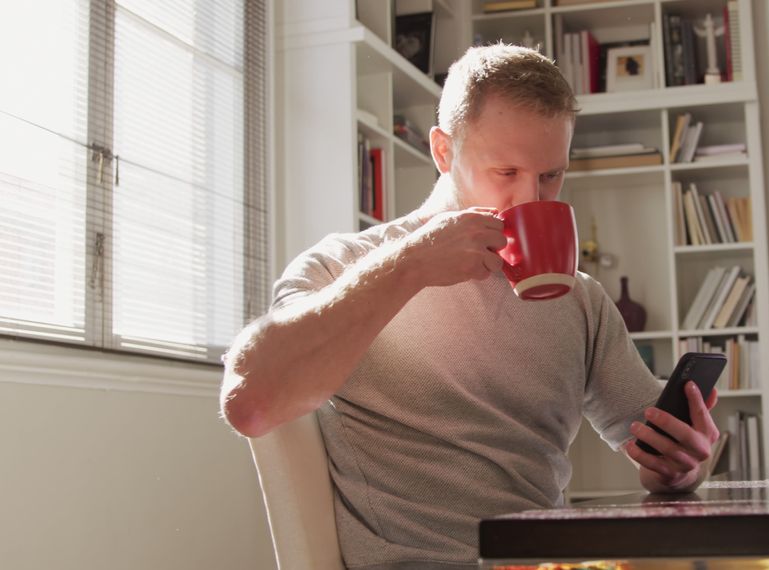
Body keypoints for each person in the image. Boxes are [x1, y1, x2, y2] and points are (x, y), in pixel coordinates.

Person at [220, 44, 720, 568]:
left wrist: (684, 465)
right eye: (506, 172)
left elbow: (663, 454)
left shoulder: (580, 299)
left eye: (551, 175)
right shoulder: (346, 264)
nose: (533, 200)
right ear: (443, 151)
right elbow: (251, 402)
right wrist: (409, 265)